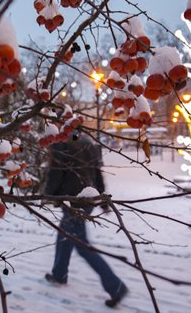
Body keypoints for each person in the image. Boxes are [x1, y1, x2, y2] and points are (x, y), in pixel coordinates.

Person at [43, 131, 128, 308]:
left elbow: (56, 172)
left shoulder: (60, 143)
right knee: (64, 236)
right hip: (88, 196)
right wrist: (103, 198)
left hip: (73, 199)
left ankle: (115, 286)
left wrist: (47, 195)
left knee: (82, 245)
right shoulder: (87, 142)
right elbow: (97, 172)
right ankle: (59, 274)